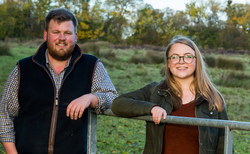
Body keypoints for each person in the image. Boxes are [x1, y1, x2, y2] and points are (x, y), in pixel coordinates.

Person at [0, 8, 117, 154]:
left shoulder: (92, 65)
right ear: (46, 35)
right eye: (56, 32)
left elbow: (112, 97)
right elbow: (4, 116)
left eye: (67, 33)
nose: (62, 38)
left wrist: (90, 98)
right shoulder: (22, 69)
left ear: (75, 36)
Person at [111, 36, 230, 154]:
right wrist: (152, 108)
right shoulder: (155, 91)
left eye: (188, 56)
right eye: (175, 57)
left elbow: (224, 146)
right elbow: (118, 104)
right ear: (168, 63)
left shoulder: (212, 99)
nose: (181, 61)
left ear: (196, 61)